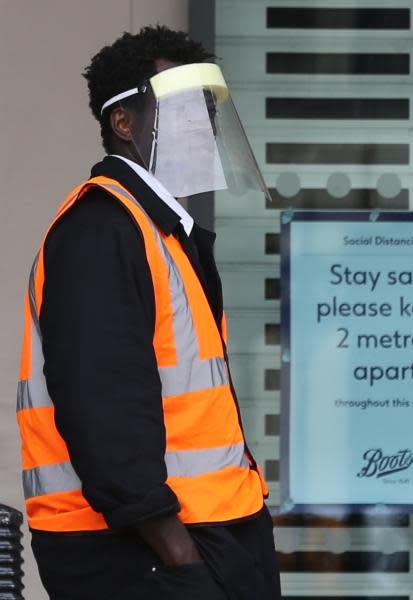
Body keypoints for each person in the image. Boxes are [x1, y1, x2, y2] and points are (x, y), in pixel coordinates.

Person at [15, 26, 280, 599]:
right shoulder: (101, 230)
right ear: (124, 123)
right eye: (183, 109)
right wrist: (181, 561)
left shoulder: (159, 230)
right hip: (143, 550)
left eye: (207, 111)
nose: (202, 126)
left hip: (198, 537)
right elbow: (102, 410)